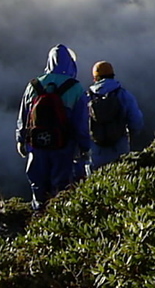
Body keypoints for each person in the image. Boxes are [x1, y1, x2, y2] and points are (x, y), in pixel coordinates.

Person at [16, 43, 91, 211]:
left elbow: (24, 117)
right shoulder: (75, 88)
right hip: (64, 146)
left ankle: (38, 218)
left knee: (38, 184)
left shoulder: (34, 85)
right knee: (63, 188)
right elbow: (81, 124)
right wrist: (85, 147)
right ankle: (59, 222)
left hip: (36, 145)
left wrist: (21, 140)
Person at [87, 60, 145, 171]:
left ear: (95, 78)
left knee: (97, 183)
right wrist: (131, 135)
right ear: (112, 76)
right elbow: (136, 121)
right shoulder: (123, 95)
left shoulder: (87, 97)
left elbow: (81, 123)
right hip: (119, 147)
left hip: (96, 150)